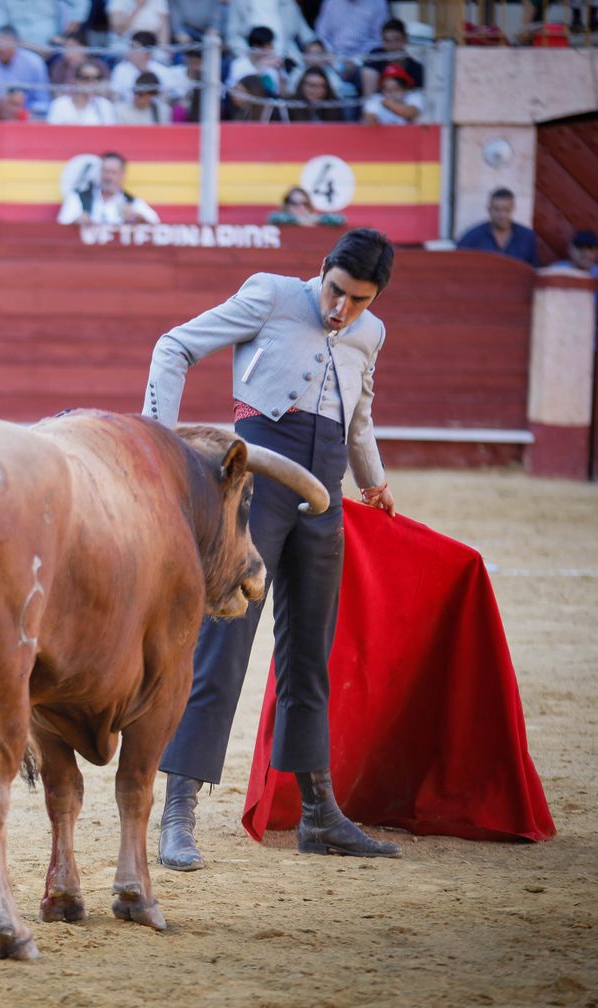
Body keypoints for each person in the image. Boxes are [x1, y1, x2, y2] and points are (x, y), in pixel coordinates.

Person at [143, 228, 404, 870]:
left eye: (359, 301)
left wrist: (372, 483)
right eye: (337, 292)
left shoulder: (370, 335)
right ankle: (178, 811)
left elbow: (358, 417)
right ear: (323, 270)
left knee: (310, 656)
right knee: (222, 647)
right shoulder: (269, 295)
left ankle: (319, 814)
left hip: (325, 500)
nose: (342, 310)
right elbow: (173, 346)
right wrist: (158, 444)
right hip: (257, 492)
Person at [57, 152, 159, 224]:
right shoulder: (79, 197)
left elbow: (157, 224)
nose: (108, 177)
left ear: (122, 175)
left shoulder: (132, 202)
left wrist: (139, 218)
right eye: (105, 171)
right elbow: (62, 224)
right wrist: (77, 221)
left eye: (113, 172)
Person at [0, 27, 50, 118]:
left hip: (27, 114)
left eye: (5, 42)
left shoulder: (34, 62)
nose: (0, 48)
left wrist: (21, 109)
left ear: (15, 43)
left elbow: (42, 100)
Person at [456, 187, 539, 267]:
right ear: (489, 209)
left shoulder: (526, 237)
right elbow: (458, 265)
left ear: (513, 209)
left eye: (506, 209)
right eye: (497, 209)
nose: (501, 215)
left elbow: (533, 271)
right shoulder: (473, 237)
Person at [359, 18, 423, 99]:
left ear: (405, 40)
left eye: (396, 40)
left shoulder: (416, 69)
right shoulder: (376, 57)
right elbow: (369, 97)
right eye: (387, 41)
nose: (392, 46)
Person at [47, 60, 117, 125]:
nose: (92, 82)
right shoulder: (60, 104)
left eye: (97, 78)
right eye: (86, 78)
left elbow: (109, 133)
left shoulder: (105, 105)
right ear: (76, 79)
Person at [268, 185, 344, 226]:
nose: (300, 207)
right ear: (287, 205)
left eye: (304, 203)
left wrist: (317, 219)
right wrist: (298, 220)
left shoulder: (314, 219)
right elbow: (274, 218)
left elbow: (340, 219)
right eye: (294, 203)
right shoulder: (281, 219)